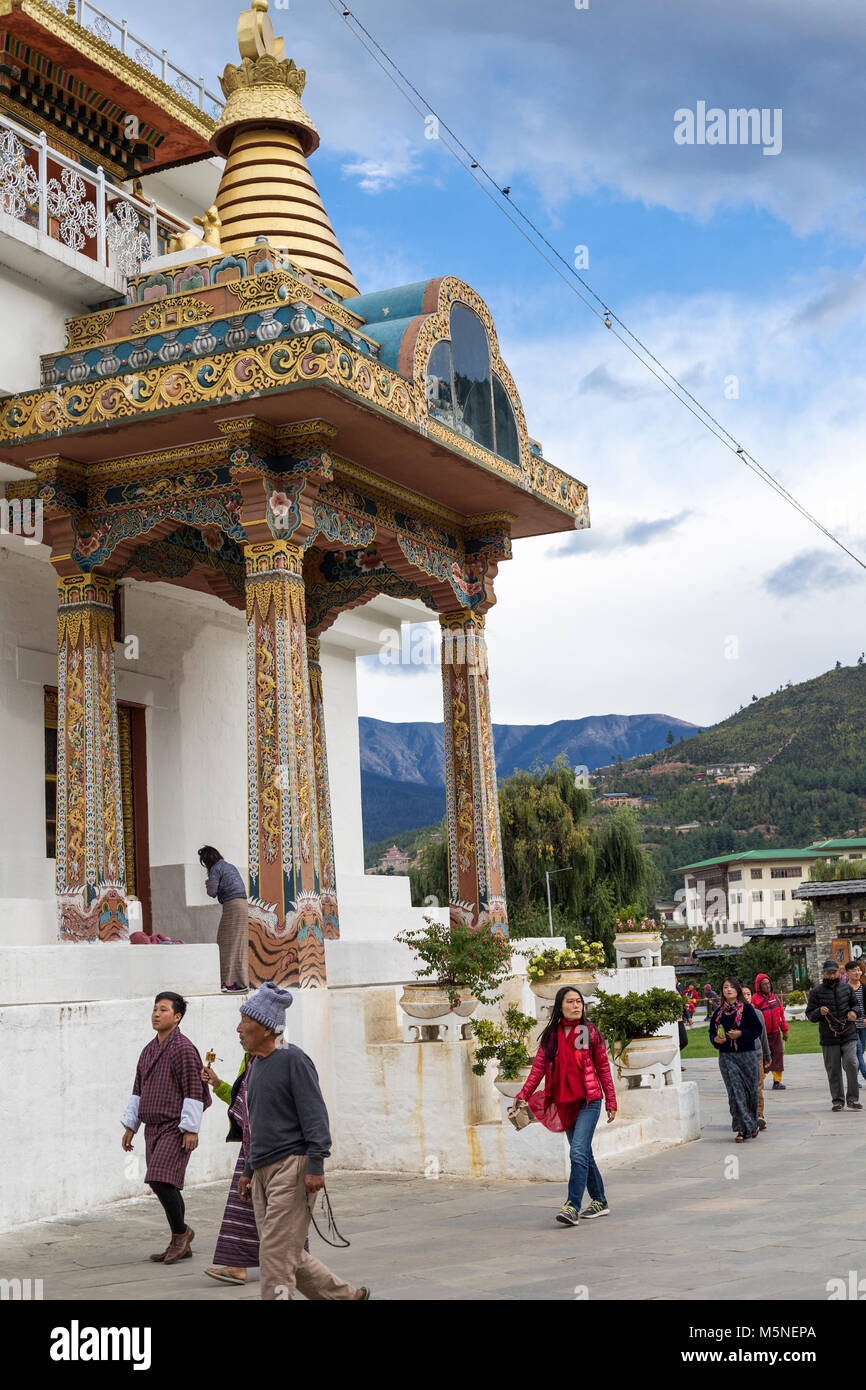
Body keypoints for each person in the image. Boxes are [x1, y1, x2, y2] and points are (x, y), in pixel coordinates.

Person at [235, 982, 369, 1301]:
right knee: (286, 1253)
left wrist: (316, 1165)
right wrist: (248, 1170)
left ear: (267, 1029)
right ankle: (346, 1298)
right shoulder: (256, 1065)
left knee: (275, 1257)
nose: (238, 1029)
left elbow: (315, 1116)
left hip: (292, 1170)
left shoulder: (294, 1060)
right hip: (263, 1171)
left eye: (245, 1022)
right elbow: (257, 1125)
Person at [514, 986, 617, 1226]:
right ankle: (600, 1201)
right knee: (584, 1153)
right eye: (570, 1002)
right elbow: (538, 1069)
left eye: (579, 1001)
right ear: (560, 1006)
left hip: (588, 1101)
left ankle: (572, 1205)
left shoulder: (585, 1031)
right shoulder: (552, 1036)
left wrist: (611, 1100)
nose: (576, 1005)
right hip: (564, 1101)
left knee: (578, 1151)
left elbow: (602, 1067)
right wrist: (523, 1094)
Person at [121, 992, 212, 1263]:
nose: (156, 1014)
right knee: (166, 1182)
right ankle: (181, 1237)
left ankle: (181, 1235)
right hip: (152, 1128)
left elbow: (194, 1089)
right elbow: (138, 1090)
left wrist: (191, 1129)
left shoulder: (183, 1048)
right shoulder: (148, 1050)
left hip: (175, 1126)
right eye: (154, 1009)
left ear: (177, 1017)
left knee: (160, 1178)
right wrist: (131, 1127)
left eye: (163, 1010)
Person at [202, 1050, 258, 1285]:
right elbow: (241, 1103)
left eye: (245, 1022)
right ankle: (237, 1266)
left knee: (279, 1211)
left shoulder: (281, 1060)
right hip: (253, 1147)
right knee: (244, 1208)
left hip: (272, 1149)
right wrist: (217, 1083)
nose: (239, 1030)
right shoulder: (250, 1060)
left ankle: (298, 1263)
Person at [709, 978, 762, 1141]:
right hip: (727, 1057)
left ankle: (752, 1124)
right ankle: (741, 1129)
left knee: (751, 1092)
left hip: (747, 1055)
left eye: (732, 987)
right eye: (725, 987)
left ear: (737, 990)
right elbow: (712, 1033)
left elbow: (756, 1029)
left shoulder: (747, 1009)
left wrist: (741, 1034)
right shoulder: (718, 1013)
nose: (729, 990)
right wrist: (715, 1040)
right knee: (735, 1092)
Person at [805, 960, 861, 1112]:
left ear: (838, 972)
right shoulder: (816, 992)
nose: (832, 975)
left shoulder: (847, 988)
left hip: (849, 1033)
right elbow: (810, 1015)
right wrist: (819, 1012)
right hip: (829, 1037)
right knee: (833, 1069)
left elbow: (857, 1006)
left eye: (834, 972)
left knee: (852, 1063)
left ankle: (853, 1099)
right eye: (829, 972)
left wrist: (854, 1013)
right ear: (823, 973)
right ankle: (838, 1101)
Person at [199, 845, 249, 993]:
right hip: (243, 904)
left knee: (226, 943)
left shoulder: (215, 869)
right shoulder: (229, 866)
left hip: (232, 905)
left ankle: (229, 982)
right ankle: (241, 981)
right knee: (239, 944)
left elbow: (212, 892)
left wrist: (208, 884)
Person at [741, 985, 771, 1130]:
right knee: (744, 1087)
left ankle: (759, 1115)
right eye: (743, 994)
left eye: (748, 994)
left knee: (758, 1086)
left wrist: (767, 1054)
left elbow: (763, 1035)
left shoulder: (758, 1013)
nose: (746, 996)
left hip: (757, 1054)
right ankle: (747, 1115)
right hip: (741, 1055)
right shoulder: (736, 1014)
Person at [751, 973, 788, 1089]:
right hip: (762, 1035)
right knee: (763, 1058)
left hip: (776, 1034)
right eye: (764, 984)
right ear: (759, 986)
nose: (767, 986)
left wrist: (785, 1030)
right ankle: (759, 1081)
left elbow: (781, 1014)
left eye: (768, 984)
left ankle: (777, 1082)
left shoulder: (775, 998)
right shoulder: (755, 1000)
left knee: (778, 1055)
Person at [845, 958, 866, 1084]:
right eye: (854, 971)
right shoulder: (845, 989)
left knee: (860, 1051)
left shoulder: (864, 987)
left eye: (858, 970)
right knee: (858, 1050)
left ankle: (853, 1079)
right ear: (847, 973)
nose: (857, 973)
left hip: (863, 1024)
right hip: (851, 1025)